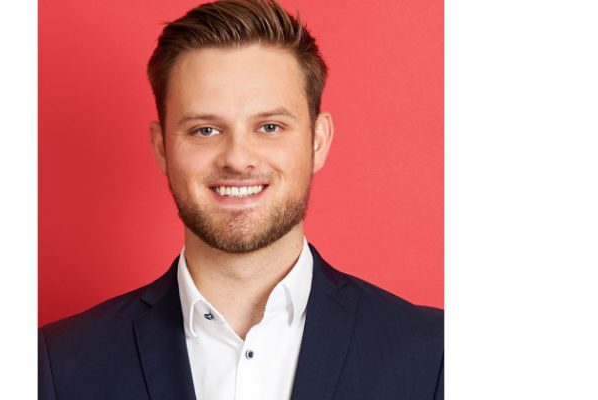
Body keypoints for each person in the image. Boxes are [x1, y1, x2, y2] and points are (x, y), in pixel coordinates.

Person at [38, 0, 443, 399]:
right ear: (161, 148)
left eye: (269, 127)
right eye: (205, 130)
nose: (237, 158)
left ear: (317, 142)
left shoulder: (435, 356)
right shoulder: (59, 365)